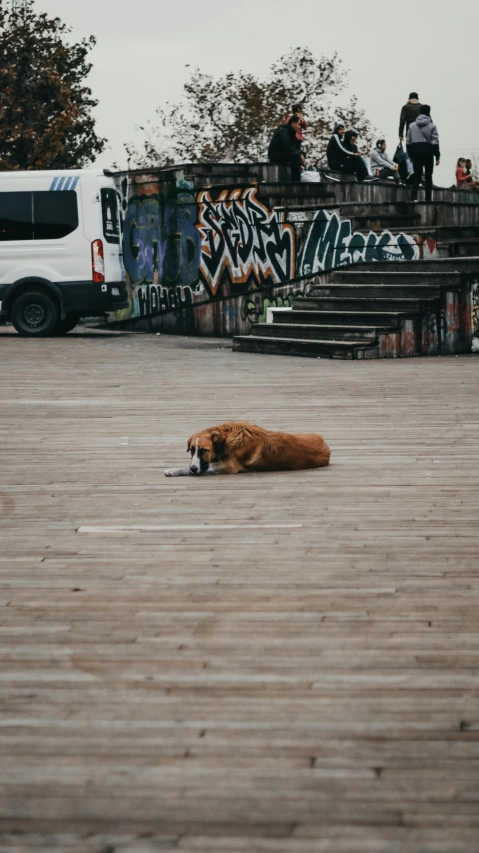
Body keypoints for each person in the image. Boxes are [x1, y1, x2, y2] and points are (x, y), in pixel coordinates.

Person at [406, 105, 440, 202]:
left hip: (416, 154)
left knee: (417, 176)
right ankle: (428, 199)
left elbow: (408, 142)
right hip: (428, 154)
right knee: (428, 177)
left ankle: (413, 198)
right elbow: (435, 142)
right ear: (429, 112)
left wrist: (411, 155)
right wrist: (437, 156)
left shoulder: (411, 126)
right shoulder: (432, 126)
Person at [268, 115, 304, 181]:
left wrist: (300, 162)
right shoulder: (284, 131)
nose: (299, 127)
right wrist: (299, 154)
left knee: (299, 154)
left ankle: (297, 178)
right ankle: (296, 182)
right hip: (275, 155)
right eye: (298, 124)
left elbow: (294, 148)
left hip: (283, 154)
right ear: (293, 124)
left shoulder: (291, 132)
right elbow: (287, 146)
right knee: (296, 155)